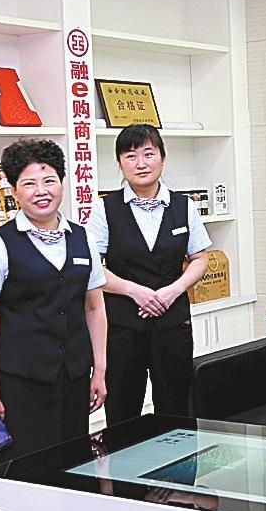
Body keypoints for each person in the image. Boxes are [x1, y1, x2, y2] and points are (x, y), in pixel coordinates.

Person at [0, 139, 108, 511]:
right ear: (14, 191)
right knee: (16, 478)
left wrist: (99, 369)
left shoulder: (82, 239)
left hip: (73, 376)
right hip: (21, 383)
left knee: (72, 467)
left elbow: (94, 307)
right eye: (29, 183)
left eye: (49, 180)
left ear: (62, 183)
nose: (41, 191)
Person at [86, 124, 211, 425]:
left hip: (172, 323)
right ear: (119, 163)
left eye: (148, 154)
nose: (140, 163)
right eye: (130, 156)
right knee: (122, 411)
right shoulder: (105, 209)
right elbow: (92, 267)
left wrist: (172, 291)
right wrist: (134, 291)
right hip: (121, 327)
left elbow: (200, 259)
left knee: (177, 409)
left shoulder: (183, 206)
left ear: (162, 158)